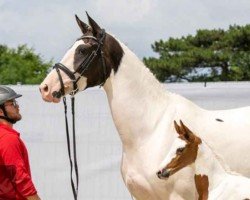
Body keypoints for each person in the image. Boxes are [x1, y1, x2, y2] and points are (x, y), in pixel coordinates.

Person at [0, 85, 41, 200]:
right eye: (12, 103)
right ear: (0, 111)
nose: (17, 106)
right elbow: (19, 177)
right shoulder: (7, 138)